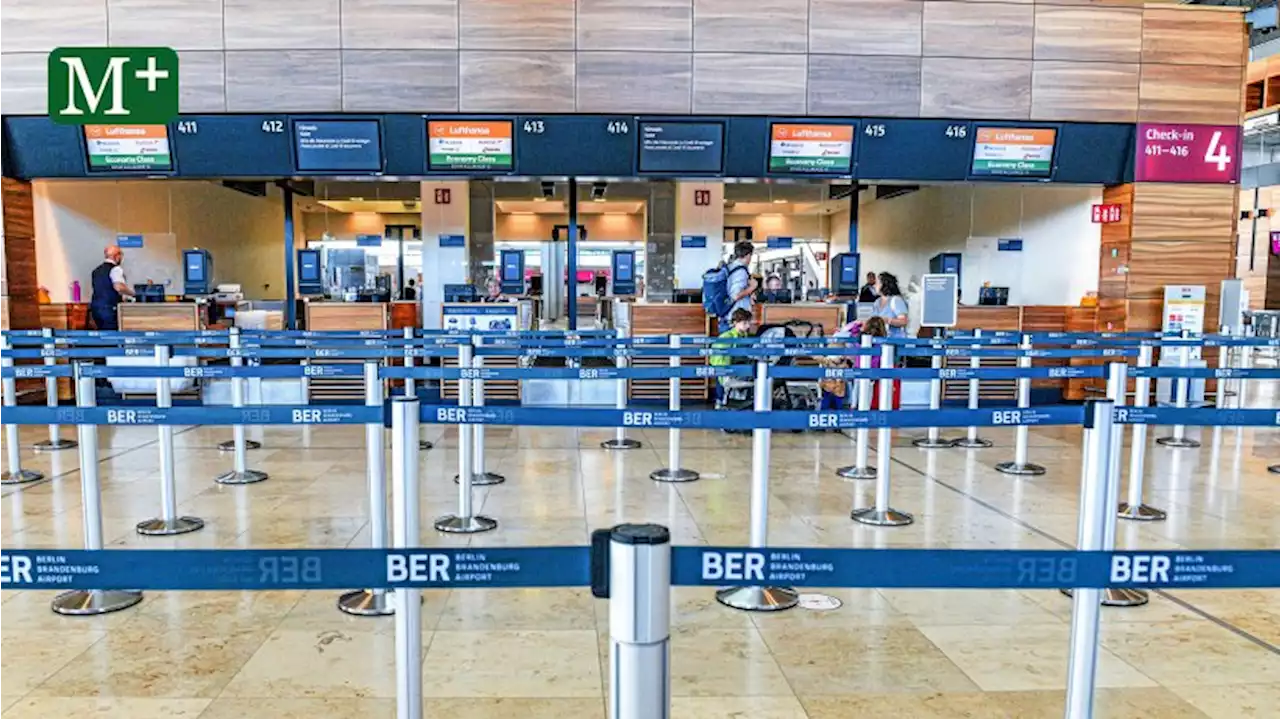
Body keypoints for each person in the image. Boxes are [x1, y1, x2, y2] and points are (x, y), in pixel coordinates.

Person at [711, 308, 754, 433]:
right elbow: (718, 361)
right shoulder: (726, 338)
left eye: (748, 322)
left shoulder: (745, 337)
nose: (747, 326)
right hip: (729, 374)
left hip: (741, 372)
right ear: (735, 323)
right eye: (744, 323)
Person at [89, 245, 135, 331]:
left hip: (96, 310)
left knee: (104, 336)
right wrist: (134, 294)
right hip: (110, 309)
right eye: (121, 255)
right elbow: (118, 287)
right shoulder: (116, 269)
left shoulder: (96, 271)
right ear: (116, 256)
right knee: (113, 336)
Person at [724, 241, 756, 330]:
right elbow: (736, 295)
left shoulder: (731, 267)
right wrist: (752, 287)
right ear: (748, 255)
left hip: (732, 315)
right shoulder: (741, 271)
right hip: (737, 319)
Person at [871, 272, 909, 338]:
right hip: (880, 341)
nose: (874, 285)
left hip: (895, 341)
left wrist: (887, 320)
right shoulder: (877, 302)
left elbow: (903, 321)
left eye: (877, 283)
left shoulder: (896, 300)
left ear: (884, 285)